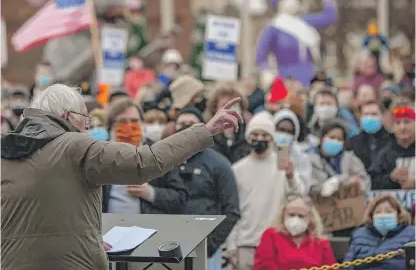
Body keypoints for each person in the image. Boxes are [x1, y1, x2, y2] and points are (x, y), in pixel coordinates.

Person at [1, 84, 243, 270]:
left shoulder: (6, 151)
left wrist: (86, 238)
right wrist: (205, 131)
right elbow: (144, 162)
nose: (87, 126)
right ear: (66, 117)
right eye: (84, 118)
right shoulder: (75, 146)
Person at [227, 112, 305, 270]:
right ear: (248, 138)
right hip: (246, 243)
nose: (260, 138)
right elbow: (232, 209)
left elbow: (298, 196)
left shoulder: (282, 166)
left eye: (265, 135)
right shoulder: (237, 170)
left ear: (272, 138)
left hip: (277, 241)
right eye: (255, 134)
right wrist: (231, 245)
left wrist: (290, 176)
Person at [174, 108, 240, 270]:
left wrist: (211, 244)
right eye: (182, 124)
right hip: (169, 248)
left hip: (205, 250)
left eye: (191, 124)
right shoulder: (164, 163)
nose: (186, 128)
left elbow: (232, 210)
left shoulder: (219, 164)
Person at [101, 98, 188, 215]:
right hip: (108, 227)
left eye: (134, 120)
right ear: (111, 126)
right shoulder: (101, 154)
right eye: (122, 121)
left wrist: (150, 193)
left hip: (148, 227)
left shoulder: (159, 152)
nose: (129, 126)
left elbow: (181, 198)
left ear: (142, 123)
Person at [254, 195, 337, 270]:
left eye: (301, 216)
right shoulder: (270, 235)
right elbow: (264, 265)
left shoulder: (321, 242)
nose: (295, 219)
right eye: (291, 215)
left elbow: (331, 267)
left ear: (310, 218)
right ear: (283, 215)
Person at [343, 195, 415, 270]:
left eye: (389, 211)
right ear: (371, 215)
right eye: (378, 212)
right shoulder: (359, 234)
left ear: (398, 215)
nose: (383, 215)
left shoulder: (412, 233)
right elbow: (348, 264)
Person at [309, 120, 371, 196]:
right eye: (332, 137)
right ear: (322, 138)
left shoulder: (350, 158)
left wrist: (357, 183)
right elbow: (310, 187)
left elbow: (365, 181)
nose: (335, 141)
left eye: (339, 139)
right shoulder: (311, 160)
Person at [369, 103, 415, 190]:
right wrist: (390, 178)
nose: (402, 127)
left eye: (407, 122)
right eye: (398, 123)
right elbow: (372, 183)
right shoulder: (383, 154)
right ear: (393, 126)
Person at [207, 83, 251, 163]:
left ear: (241, 108)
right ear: (215, 109)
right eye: (224, 105)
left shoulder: (249, 134)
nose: (229, 109)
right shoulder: (207, 137)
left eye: (234, 105)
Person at [273, 108, 313, 192]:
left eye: (289, 132)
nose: (284, 134)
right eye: (281, 130)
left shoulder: (301, 157)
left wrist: (292, 175)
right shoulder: (266, 152)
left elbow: (305, 186)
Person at [347, 100, 392, 170]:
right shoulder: (351, 143)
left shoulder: (392, 140)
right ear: (360, 117)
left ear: (382, 116)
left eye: (374, 114)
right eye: (366, 114)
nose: (370, 118)